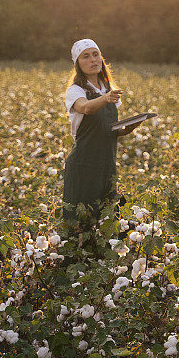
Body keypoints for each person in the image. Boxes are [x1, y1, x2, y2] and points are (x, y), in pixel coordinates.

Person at [63, 38, 138, 256]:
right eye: (85, 56)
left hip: (106, 164)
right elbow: (85, 108)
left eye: (95, 54)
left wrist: (128, 128)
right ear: (78, 63)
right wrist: (105, 99)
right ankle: (76, 272)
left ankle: (104, 266)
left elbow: (109, 130)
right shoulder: (75, 90)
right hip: (84, 165)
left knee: (109, 217)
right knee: (80, 222)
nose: (93, 59)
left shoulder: (109, 89)